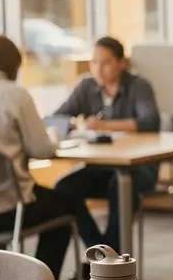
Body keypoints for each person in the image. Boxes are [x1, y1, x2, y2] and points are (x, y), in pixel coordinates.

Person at [0, 34, 74, 280]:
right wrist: (54, 134)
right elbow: (42, 150)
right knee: (68, 205)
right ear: (13, 66)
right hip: (7, 211)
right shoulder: (13, 95)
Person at [54, 36, 160, 255]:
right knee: (63, 187)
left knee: (119, 185)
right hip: (100, 167)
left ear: (121, 63)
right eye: (94, 62)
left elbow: (150, 121)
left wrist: (105, 126)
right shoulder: (87, 86)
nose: (99, 69)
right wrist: (73, 124)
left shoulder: (139, 85)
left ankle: (107, 259)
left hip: (138, 168)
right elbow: (57, 118)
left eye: (106, 62)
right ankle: (102, 255)